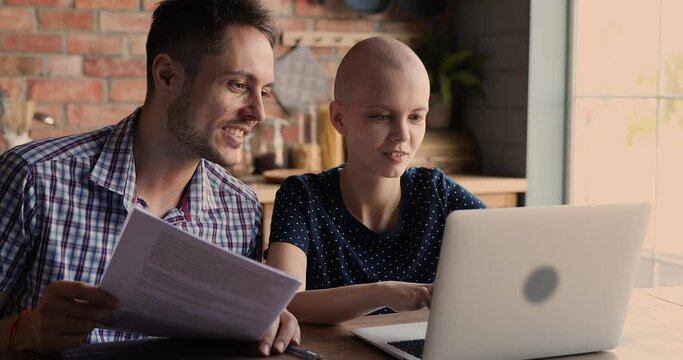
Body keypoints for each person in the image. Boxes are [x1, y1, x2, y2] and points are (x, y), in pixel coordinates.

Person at [0, 0, 298, 355]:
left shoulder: (241, 208)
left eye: (264, 91)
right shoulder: (33, 178)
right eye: (237, 85)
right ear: (167, 75)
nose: (258, 112)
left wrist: (269, 324)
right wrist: (25, 332)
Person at [266, 37, 486, 324]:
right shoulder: (302, 196)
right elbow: (286, 302)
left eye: (416, 117)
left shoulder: (437, 192)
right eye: (381, 116)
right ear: (339, 118)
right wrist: (381, 294)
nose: (402, 135)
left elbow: (509, 252)